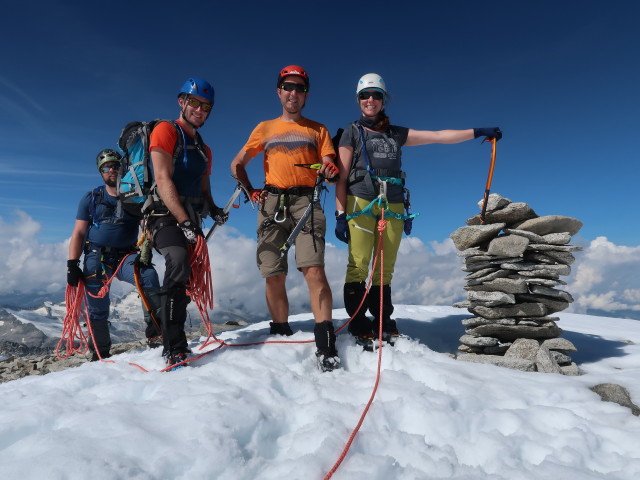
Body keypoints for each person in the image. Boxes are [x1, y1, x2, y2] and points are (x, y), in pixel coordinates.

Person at [335, 73, 502, 346]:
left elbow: (437, 136)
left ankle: (382, 321)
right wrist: (340, 214)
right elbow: (341, 178)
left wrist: (476, 132)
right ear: (358, 100)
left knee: (384, 269)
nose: (370, 100)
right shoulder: (351, 132)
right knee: (358, 265)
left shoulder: (395, 133)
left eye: (376, 95)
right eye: (365, 95)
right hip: (361, 202)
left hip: (394, 204)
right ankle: (358, 323)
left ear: (383, 99)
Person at [230, 65, 341, 372]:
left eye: (300, 88)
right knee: (273, 271)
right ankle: (280, 330)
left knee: (313, 269)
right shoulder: (264, 128)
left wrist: (330, 172)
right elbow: (238, 163)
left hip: (307, 199)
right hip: (272, 200)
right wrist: (250, 189)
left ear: (306, 94)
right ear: (279, 91)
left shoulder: (318, 131)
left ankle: (325, 342)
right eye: (288, 87)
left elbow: (329, 168)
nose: (294, 93)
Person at [148, 77, 228, 368]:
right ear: (182, 101)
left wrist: (214, 208)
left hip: (190, 219)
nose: (200, 110)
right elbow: (162, 177)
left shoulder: (204, 150)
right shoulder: (166, 131)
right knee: (178, 260)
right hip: (163, 216)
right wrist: (182, 221)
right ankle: (173, 346)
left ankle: (173, 335)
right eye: (194, 102)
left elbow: (204, 190)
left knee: (186, 278)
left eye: (206, 106)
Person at [67, 149, 162, 361]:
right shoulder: (92, 198)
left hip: (125, 256)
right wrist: (72, 264)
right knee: (97, 305)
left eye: (116, 166)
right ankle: (99, 352)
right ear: (101, 172)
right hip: (96, 257)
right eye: (107, 167)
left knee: (148, 277)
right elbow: (79, 232)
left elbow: (146, 224)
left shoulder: (135, 196)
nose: (112, 170)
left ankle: (157, 337)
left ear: (123, 169)